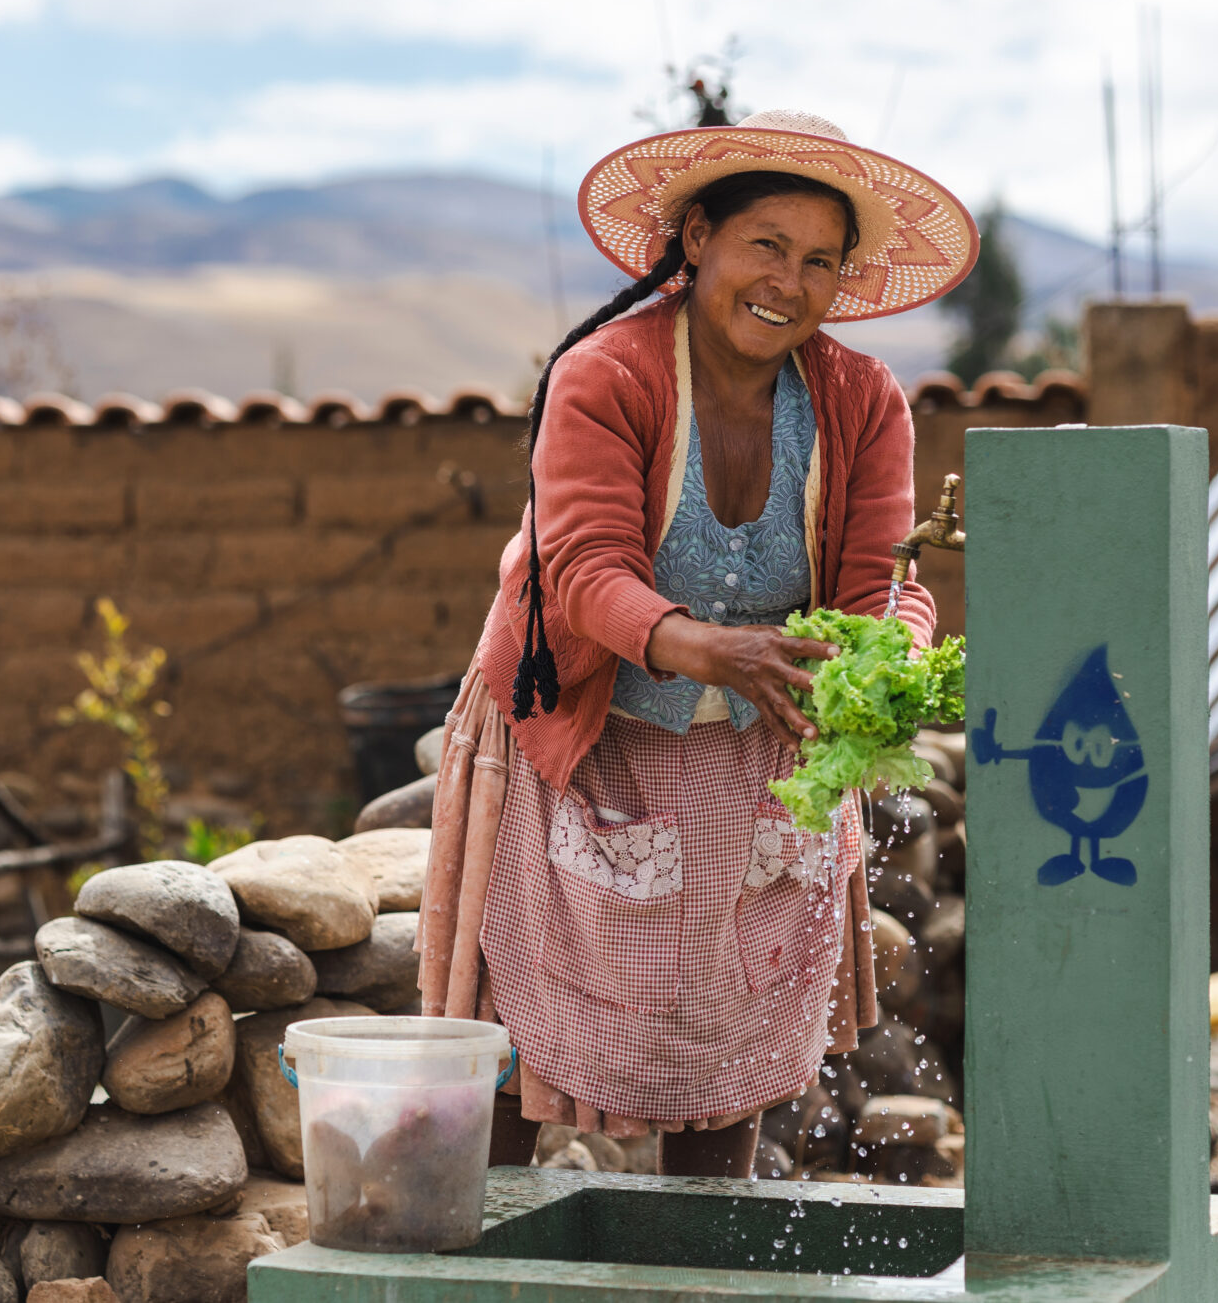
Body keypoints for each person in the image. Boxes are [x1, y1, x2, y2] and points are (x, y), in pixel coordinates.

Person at [416, 109, 978, 1178]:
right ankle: (482, 1265)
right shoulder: (605, 374)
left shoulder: (859, 401)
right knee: (517, 1046)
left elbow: (881, 587)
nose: (788, 281)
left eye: (819, 261)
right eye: (764, 244)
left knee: (725, 1045)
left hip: (750, 752)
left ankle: (702, 1281)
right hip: (580, 743)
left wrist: (886, 661)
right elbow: (577, 574)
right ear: (695, 241)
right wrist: (706, 648)